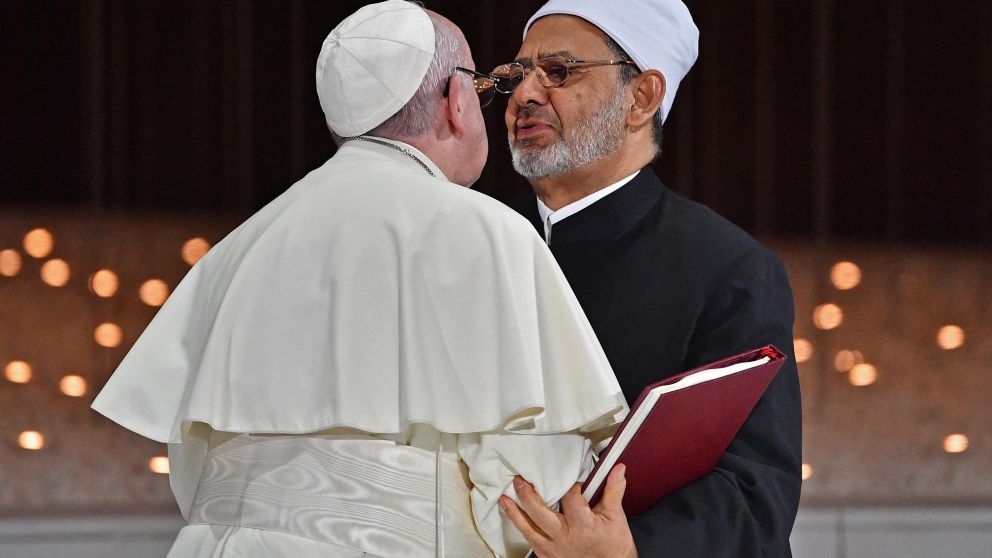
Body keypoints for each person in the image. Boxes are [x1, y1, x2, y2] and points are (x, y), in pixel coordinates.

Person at [90, 2, 627, 556]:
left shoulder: (240, 246)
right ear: (455, 101)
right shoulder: (485, 231)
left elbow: (196, 467)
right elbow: (527, 496)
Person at [493, 1, 803, 557]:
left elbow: (757, 496)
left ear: (642, 98)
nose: (524, 96)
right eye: (518, 75)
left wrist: (629, 548)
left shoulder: (728, 270)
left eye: (559, 72)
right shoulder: (475, 236)